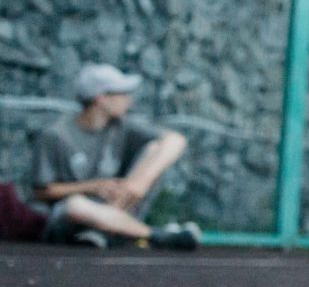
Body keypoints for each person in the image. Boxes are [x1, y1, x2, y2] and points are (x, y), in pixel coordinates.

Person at [28, 63, 199, 250]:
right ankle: (155, 235)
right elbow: (41, 192)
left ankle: (105, 230)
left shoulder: (121, 126)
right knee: (75, 205)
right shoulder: (56, 135)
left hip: (116, 205)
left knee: (154, 148)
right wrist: (93, 187)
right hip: (70, 218)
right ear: (101, 98)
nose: (128, 100)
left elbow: (175, 140)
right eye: (121, 93)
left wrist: (136, 185)